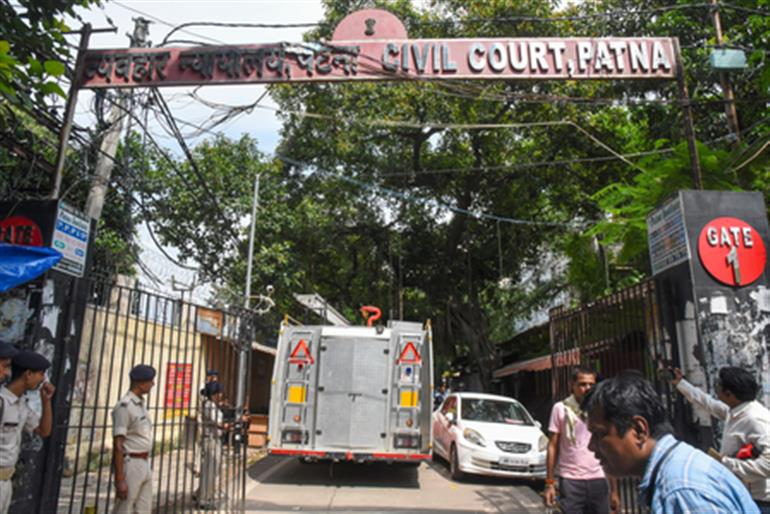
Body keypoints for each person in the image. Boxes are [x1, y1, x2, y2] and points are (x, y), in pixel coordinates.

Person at [582, 371, 760, 513]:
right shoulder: (676, 471)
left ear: (639, 430)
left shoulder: (682, 491)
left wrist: (729, 463)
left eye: (599, 434)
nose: (590, 446)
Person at [671, 366, 770, 513]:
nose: (716, 388)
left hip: (760, 502)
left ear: (729, 394)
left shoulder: (755, 419)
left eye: (719, 385)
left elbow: (768, 465)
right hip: (744, 496)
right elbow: (708, 403)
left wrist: (726, 463)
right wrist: (681, 383)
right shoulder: (736, 410)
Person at [544, 367, 619, 514]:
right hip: (571, 481)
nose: (587, 388)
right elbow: (552, 446)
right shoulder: (561, 409)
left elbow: (608, 450)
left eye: (591, 384)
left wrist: (614, 491)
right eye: (582, 384)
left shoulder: (600, 410)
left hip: (598, 479)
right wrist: (549, 483)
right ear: (572, 385)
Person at [0, 350, 54, 514]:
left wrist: (46, 402)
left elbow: (44, 431)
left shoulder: (22, 404)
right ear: (28, 374)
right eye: (41, 373)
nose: (43, 379)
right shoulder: (2, 402)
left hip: (6, 480)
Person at [112, 364, 155, 514]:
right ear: (141, 383)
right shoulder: (124, 407)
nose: (153, 384)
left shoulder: (140, 404)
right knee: (124, 508)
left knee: (144, 508)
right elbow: (118, 444)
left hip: (144, 462)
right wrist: (120, 479)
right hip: (131, 463)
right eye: (150, 381)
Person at [195, 381, 225, 509]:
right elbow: (218, 422)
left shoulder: (213, 405)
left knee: (212, 469)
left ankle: (199, 493)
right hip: (211, 441)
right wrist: (231, 424)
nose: (221, 395)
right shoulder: (209, 406)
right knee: (210, 471)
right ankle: (204, 500)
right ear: (214, 394)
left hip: (215, 439)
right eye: (219, 392)